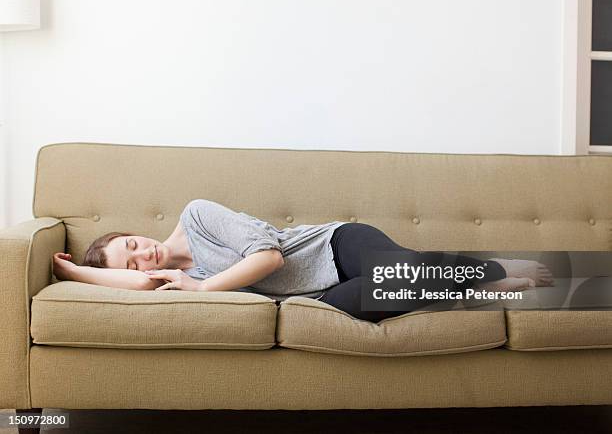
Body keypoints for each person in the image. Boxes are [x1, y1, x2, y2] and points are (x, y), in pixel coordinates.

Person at [52, 199, 554, 322]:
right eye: (130, 263)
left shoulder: (196, 216)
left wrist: (205, 290)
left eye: (134, 245)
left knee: (398, 269)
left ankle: (492, 270)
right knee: (367, 302)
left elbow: (269, 258)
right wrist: (75, 271)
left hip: (335, 246)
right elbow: (139, 286)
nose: (144, 259)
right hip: (322, 292)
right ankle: (473, 291)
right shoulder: (179, 280)